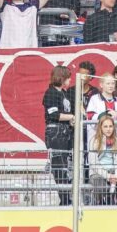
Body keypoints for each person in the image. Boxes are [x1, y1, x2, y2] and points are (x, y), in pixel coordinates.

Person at [42, 64, 77, 205]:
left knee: (66, 165)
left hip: (64, 131)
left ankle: (66, 197)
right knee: (59, 165)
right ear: (61, 78)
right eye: (68, 78)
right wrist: (71, 117)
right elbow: (53, 114)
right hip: (55, 132)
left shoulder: (62, 93)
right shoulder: (51, 93)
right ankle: (63, 199)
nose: (70, 81)